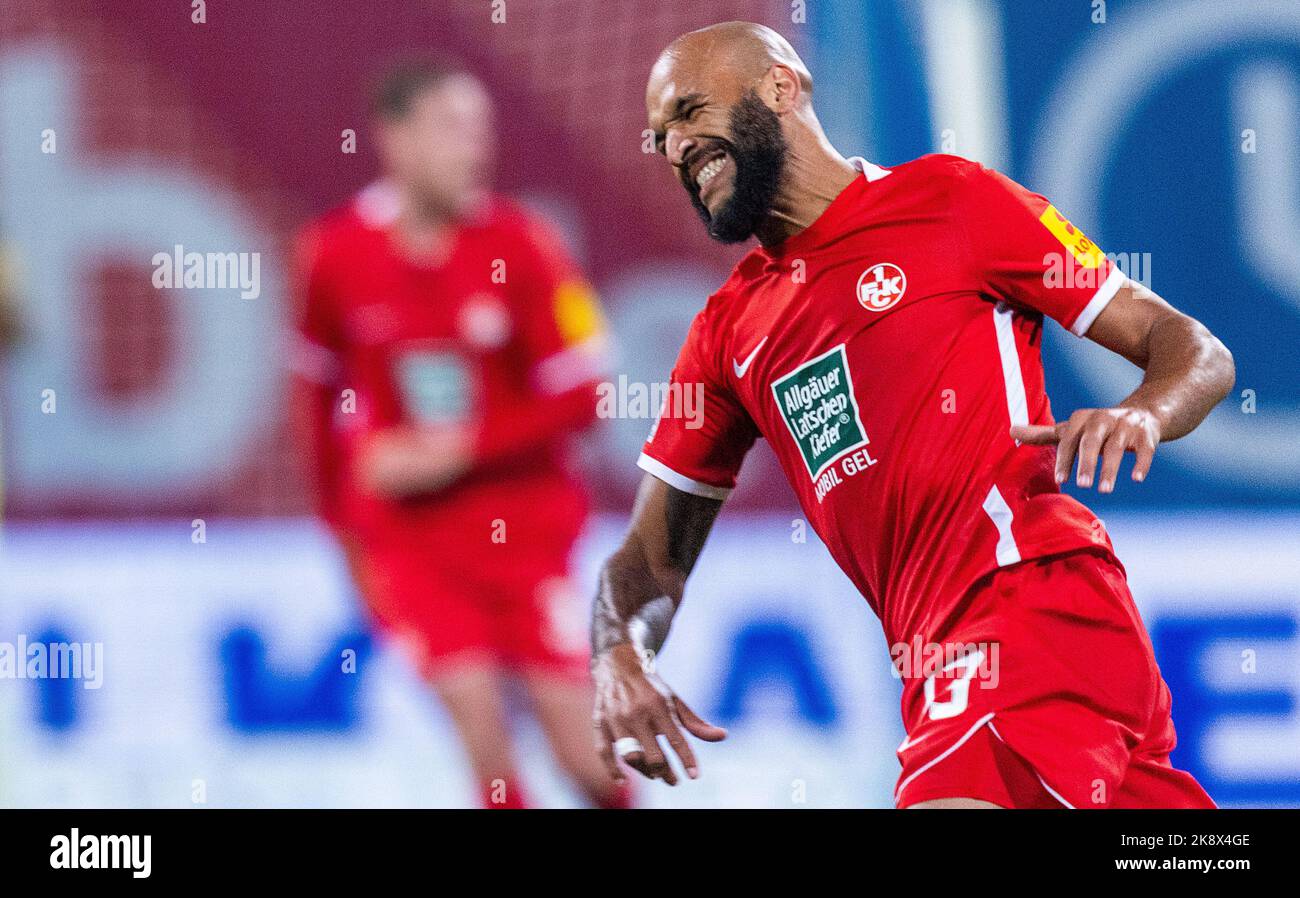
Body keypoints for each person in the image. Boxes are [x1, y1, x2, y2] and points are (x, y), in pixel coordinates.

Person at [590, 22, 1233, 809]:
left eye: (691, 110)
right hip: (936, 669)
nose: (676, 145)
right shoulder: (728, 334)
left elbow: (1192, 348)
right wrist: (618, 653)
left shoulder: (953, 200)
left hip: (1031, 604)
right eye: (661, 136)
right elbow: (650, 561)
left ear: (782, 88)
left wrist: (1145, 412)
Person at [293, 58, 626, 809]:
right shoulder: (334, 255)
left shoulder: (524, 243)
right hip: (416, 547)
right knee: (491, 758)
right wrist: (346, 542)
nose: (473, 148)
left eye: (480, 129)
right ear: (394, 137)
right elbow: (311, 408)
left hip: (529, 534)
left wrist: (456, 450)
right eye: (451, 127)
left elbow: (584, 395)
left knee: (586, 762)